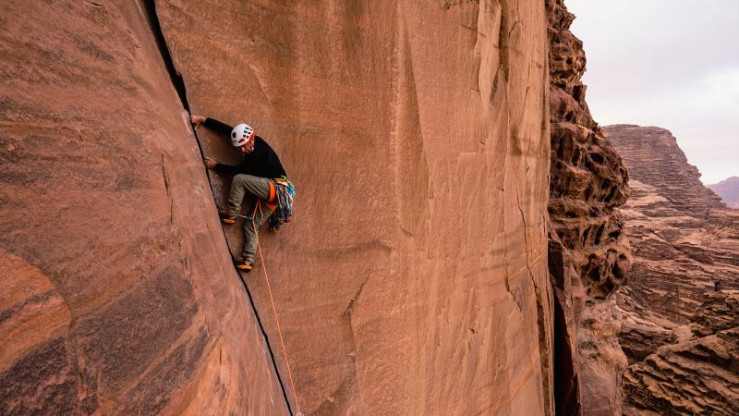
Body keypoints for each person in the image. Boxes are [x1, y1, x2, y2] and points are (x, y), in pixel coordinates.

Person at [191, 115, 289, 272]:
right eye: (239, 147)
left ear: (251, 139)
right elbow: (227, 130)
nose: (242, 150)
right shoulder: (249, 140)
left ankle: (232, 213)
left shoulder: (257, 155)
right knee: (251, 224)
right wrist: (203, 120)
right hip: (277, 196)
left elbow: (238, 171)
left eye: (243, 146)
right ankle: (248, 260)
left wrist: (216, 166)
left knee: (239, 180)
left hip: (274, 188)